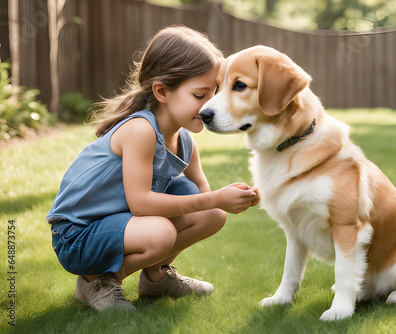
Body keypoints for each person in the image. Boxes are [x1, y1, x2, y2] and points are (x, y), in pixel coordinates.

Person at [47, 25, 259, 312]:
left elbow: (207, 205)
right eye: (200, 95)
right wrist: (215, 198)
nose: (211, 105)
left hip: (120, 225)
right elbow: (141, 203)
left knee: (212, 214)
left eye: (215, 93)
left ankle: (156, 278)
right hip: (77, 235)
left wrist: (234, 197)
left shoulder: (185, 141)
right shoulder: (140, 130)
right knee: (161, 232)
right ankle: (97, 281)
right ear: (162, 91)